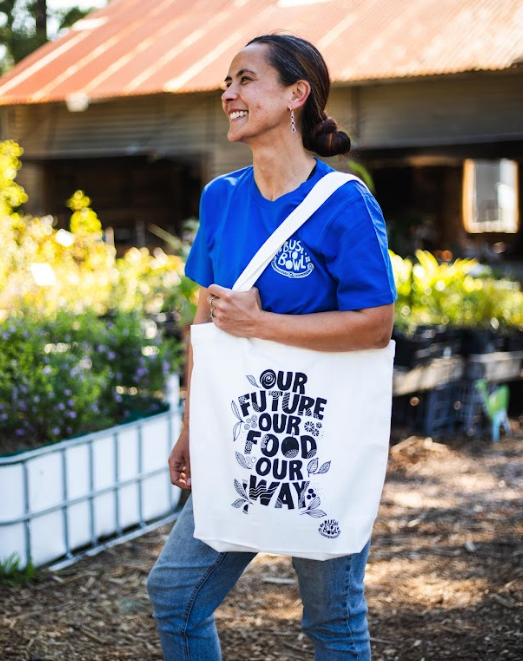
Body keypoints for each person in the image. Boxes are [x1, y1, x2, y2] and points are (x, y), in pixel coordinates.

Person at [147, 33, 396, 661]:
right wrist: (190, 423)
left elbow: (375, 324)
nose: (229, 93)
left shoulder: (344, 203)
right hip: (237, 435)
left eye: (245, 79)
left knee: (331, 621)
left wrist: (264, 326)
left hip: (319, 440)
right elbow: (204, 321)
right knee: (175, 595)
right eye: (226, 83)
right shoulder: (221, 198)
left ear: (295, 94)